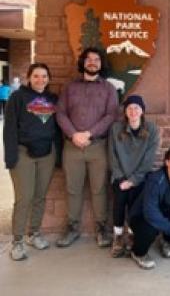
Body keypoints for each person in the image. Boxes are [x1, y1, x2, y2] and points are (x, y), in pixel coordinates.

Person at [56, 47, 119, 248]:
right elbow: (60, 113)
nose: (92, 62)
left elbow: (111, 115)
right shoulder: (69, 87)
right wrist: (74, 134)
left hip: (98, 146)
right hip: (72, 147)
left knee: (99, 189)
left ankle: (102, 229)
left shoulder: (108, 88)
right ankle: (73, 228)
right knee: (73, 189)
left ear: (101, 64)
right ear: (83, 62)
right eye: (89, 59)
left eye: (96, 60)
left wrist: (88, 134)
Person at [3, 63, 60, 261]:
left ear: (48, 78)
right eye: (36, 76)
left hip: (47, 153)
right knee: (24, 198)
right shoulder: (17, 97)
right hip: (23, 153)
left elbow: (57, 128)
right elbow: (9, 128)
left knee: (40, 196)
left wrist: (58, 155)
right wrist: (10, 157)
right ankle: (17, 241)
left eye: (44, 76)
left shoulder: (52, 99)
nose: (40, 80)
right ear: (29, 77)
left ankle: (33, 233)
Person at [108, 94, 160, 257]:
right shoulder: (116, 128)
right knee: (119, 202)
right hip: (120, 176)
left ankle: (131, 235)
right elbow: (112, 155)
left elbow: (149, 159)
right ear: (125, 111)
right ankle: (117, 237)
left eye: (137, 108)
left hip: (140, 177)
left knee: (135, 206)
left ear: (142, 111)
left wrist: (133, 180)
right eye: (129, 108)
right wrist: (121, 178)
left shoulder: (151, 129)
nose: (133, 111)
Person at [128, 144, 170, 270]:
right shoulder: (156, 179)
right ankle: (138, 252)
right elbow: (150, 212)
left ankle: (166, 242)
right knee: (150, 230)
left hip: (165, 212)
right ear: (167, 162)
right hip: (141, 216)